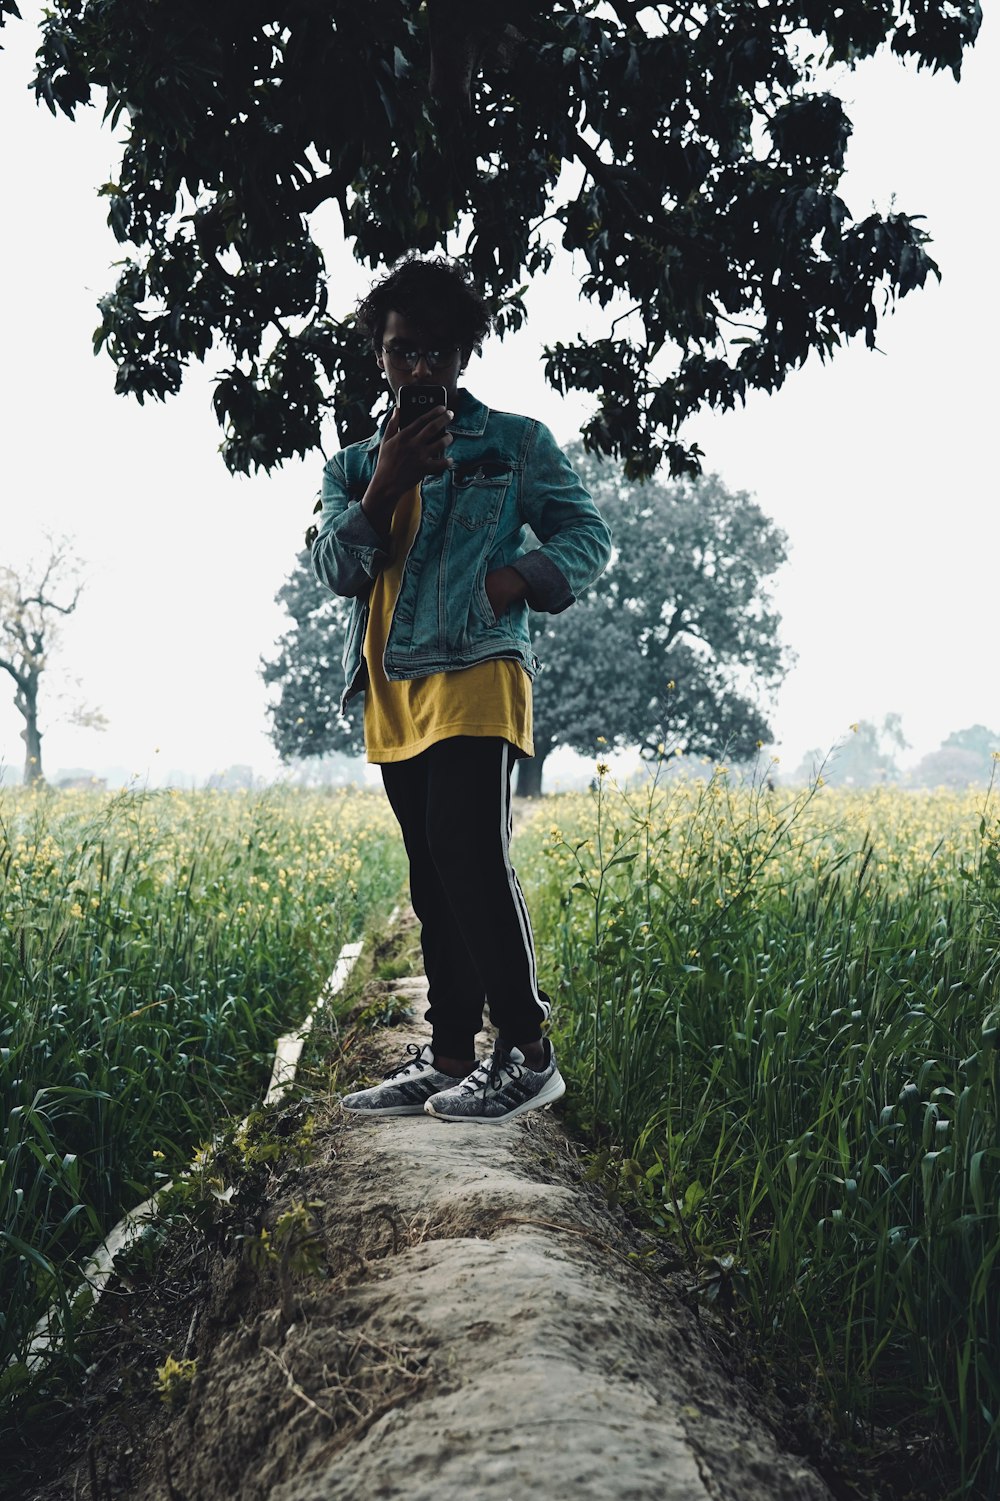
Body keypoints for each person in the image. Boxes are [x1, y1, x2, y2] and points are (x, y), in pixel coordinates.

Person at [311, 254, 611, 1124]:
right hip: (393, 687)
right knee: (432, 872)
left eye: (438, 352)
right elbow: (337, 567)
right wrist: (386, 481)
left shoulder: (514, 442)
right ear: (381, 353)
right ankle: (448, 1058)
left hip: (480, 670)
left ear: (464, 355)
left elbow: (585, 533)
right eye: (404, 350)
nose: (420, 369)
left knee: (469, 851)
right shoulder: (351, 466)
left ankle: (530, 1050)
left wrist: (518, 578)